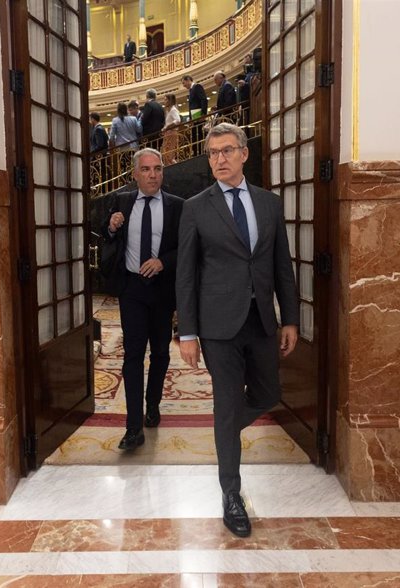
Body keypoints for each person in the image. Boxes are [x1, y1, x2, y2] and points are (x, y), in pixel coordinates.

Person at [176, 123, 299, 537]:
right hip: (217, 326)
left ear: (244, 153)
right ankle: (231, 494)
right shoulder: (196, 207)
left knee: (268, 394)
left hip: (261, 320)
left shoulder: (269, 204)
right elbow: (186, 276)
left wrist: (292, 319)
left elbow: (283, 266)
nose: (219, 159)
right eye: (212, 153)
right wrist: (187, 332)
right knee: (228, 402)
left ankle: (224, 425)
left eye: (227, 151)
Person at [102, 148, 183, 451]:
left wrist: (163, 262)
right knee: (133, 355)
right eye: (146, 169)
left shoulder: (177, 206)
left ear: (163, 172)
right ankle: (133, 426)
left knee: (160, 353)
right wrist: (111, 227)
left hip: (162, 290)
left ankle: (153, 404)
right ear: (134, 174)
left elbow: (185, 248)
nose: (152, 175)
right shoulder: (121, 202)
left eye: (158, 169)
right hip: (132, 290)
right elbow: (106, 238)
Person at [182, 75, 208, 155]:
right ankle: (196, 152)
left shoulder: (197, 86)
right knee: (195, 137)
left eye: (184, 83)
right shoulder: (191, 90)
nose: (184, 85)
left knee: (199, 136)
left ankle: (200, 153)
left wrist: (203, 114)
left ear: (189, 80)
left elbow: (203, 100)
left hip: (199, 117)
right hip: (194, 118)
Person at [89, 112, 109, 187]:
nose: (90, 121)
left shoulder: (98, 129)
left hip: (98, 156)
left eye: (90, 119)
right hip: (99, 156)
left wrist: (91, 153)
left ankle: (100, 188)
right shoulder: (99, 128)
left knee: (99, 174)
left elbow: (99, 145)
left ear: (93, 119)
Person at [161, 93, 181, 165]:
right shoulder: (168, 110)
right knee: (165, 154)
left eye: (166, 99)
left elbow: (177, 120)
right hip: (168, 133)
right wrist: (165, 128)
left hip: (172, 133)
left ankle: (174, 169)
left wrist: (167, 127)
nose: (164, 101)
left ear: (170, 101)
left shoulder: (173, 110)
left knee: (169, 154)